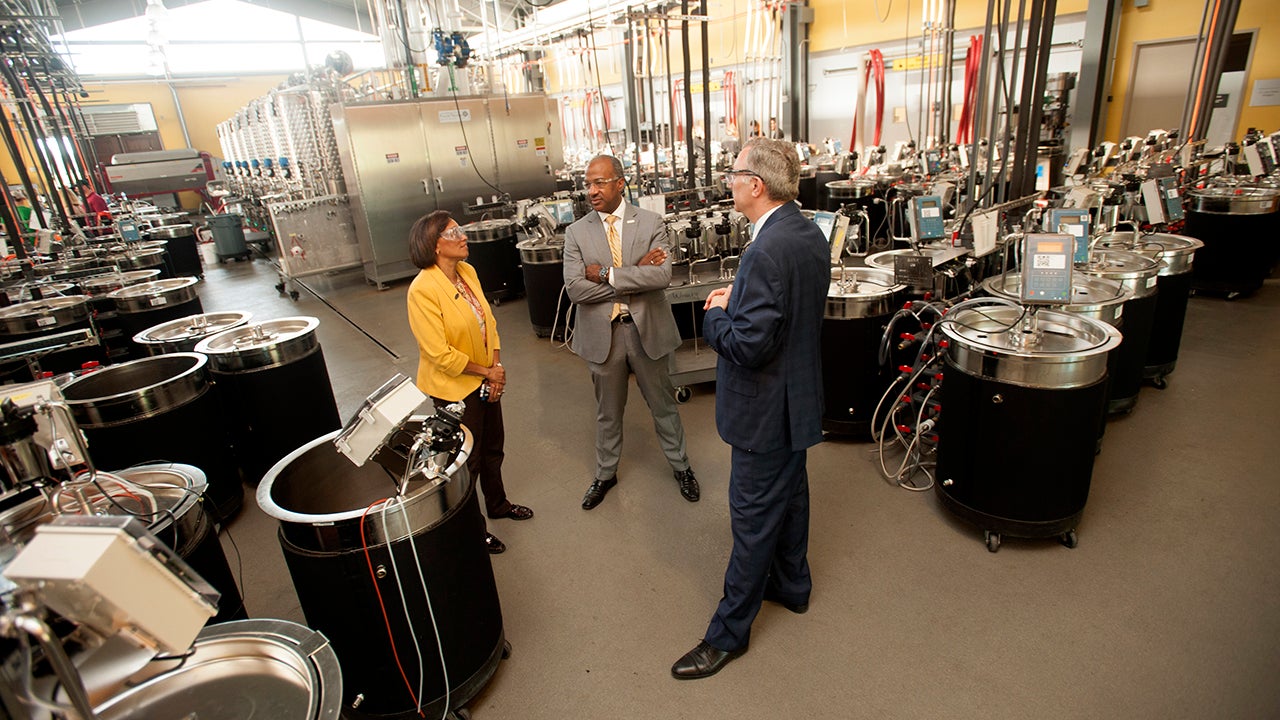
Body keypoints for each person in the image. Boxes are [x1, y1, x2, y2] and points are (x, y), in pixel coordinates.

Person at [671, 138, 830, 680]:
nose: (729, 183)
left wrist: (717, 314)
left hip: (764, 411)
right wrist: (739, 297)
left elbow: (748, 345)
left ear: (755, 185)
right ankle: (793, 586)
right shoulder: (806, 232)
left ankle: (727, 635)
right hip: (796, 400)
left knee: (753, 519)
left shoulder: (765, 250)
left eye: (733, 175)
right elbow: (787, 313)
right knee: (792, 499)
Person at [562, 154, 698, 510]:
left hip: (646, 331)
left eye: (599, 183)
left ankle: (681, 467)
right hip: (603, 336)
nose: (591, 191)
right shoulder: (576, 232)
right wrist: (634, 274)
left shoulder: (651, 222)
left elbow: (661, 276)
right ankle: (605, 473)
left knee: (663, 406)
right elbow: (575, 290)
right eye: (587, 184)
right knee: (607, 412)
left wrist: (605, 274)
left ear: (620, 183)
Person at [406, 210, 534, 554]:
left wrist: (496, 367)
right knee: (467, 461)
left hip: (485, 376)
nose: (463, 236)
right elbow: (439, 354)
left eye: (460, 230)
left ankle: (498, 504)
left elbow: (488, 323)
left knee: (493, 448)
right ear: (434, 246)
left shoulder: (467, 272)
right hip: (454, 389)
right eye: (453, 233)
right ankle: (473, 529)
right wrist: (487, 372)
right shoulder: (422, 290)